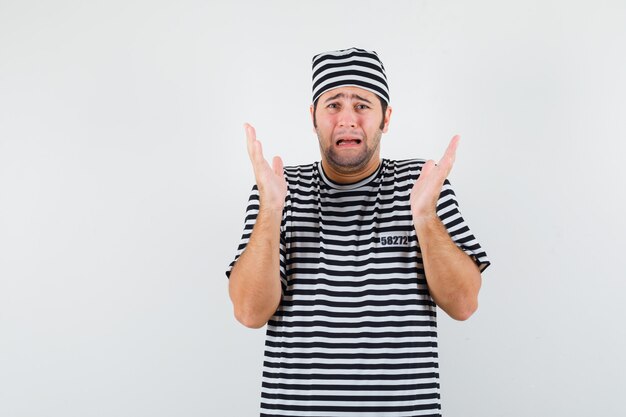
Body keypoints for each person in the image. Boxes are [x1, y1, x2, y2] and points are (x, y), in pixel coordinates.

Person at [226, 47, 490, 416]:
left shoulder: (424, 184)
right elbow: (250, 312)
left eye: (362, 105)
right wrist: (271, 211)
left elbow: (463, 305)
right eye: (333, 105)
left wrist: (425, 217)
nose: (347, 120)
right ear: (313, 118)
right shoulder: (279, 189)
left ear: (386, 117)